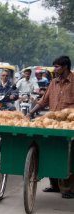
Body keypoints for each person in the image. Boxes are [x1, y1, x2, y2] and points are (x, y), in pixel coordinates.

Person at [27, 55, 74, 199]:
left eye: (57, 66)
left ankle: (67, 188)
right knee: (50, 150)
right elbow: (43, 101)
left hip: (69, 124)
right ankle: (55, 185)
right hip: (53, 123)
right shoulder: (53, 82)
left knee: (67, 153)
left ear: (65, 66)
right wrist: (30, 113)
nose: (55, 69)